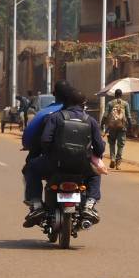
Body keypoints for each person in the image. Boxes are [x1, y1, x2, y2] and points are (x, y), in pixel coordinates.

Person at [23, 85, 106, 226]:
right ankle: (89, 204)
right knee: (95, 174)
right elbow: (99, 147)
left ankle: (36, 206)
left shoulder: (54, 117)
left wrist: (51, 153)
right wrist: (95, 155)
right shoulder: (91, 121)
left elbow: (45, 140)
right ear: (83, 104)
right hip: (81, 166)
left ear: (65, 102)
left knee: (30, 168)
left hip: (54, 164)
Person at [103, 89, 132, 169]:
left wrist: (102, 125)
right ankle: (118, 163)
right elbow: (129, 116)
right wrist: (130, 126)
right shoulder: (125, 104)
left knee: (112, 143)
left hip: (112, 127)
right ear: (121, 95)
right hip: (122, 127)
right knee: (121, 145)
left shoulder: (110, 103)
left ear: (115, 95)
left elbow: (105, 115)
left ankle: (112, 158)